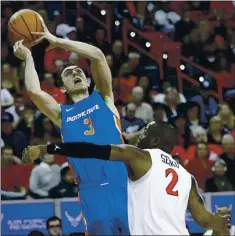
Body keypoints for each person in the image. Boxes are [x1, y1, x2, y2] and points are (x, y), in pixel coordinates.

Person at [13, 17, 128, 235]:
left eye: (79, 72)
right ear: (63, 89)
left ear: (87, 80)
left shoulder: (104, 98)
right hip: (91, 191)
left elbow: (97, 56)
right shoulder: (61, 114)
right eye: (68, 73)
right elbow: (34, 92)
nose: (75, 73)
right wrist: (28, 57)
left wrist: (58, 41)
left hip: (122, 183)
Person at [23, 121, 231, 235]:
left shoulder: (140, 156)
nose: (139, 136)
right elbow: (205, 221)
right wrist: (221, 222)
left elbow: (90, 150)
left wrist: (46, 148)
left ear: (156, 139)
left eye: (144, 132)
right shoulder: (187, 177)